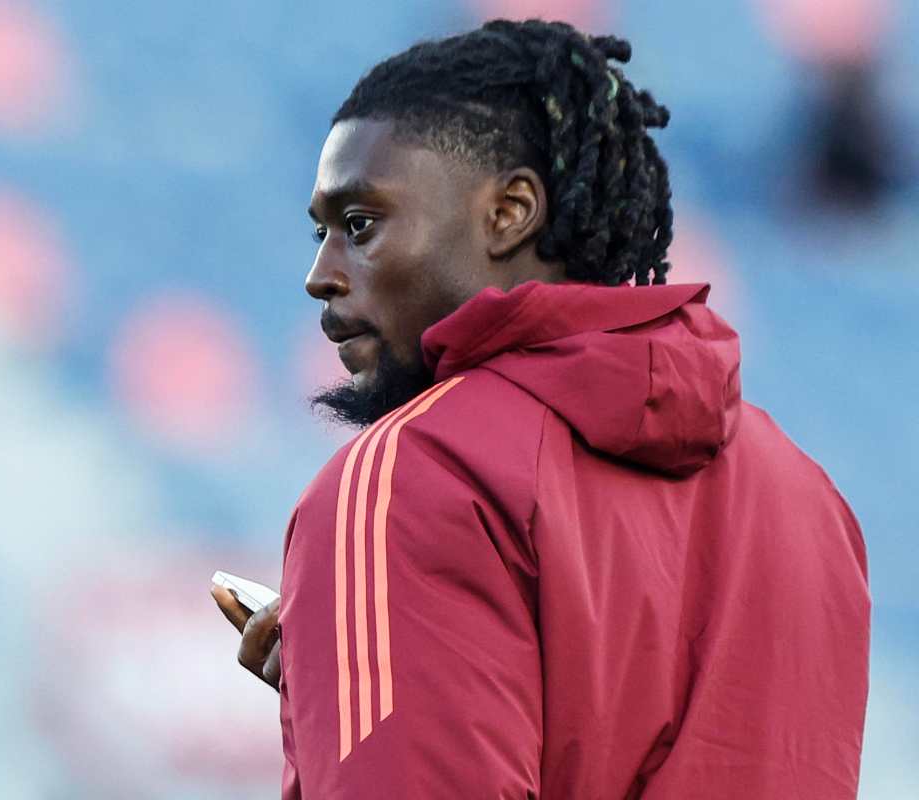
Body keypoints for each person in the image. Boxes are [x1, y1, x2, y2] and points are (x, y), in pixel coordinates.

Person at [210, 18, 869, 799]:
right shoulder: (806, 496)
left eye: (359, 226)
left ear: (510, 212)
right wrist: (353, 695)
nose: (320, 273)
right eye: (322, 233)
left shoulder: (410, 474)